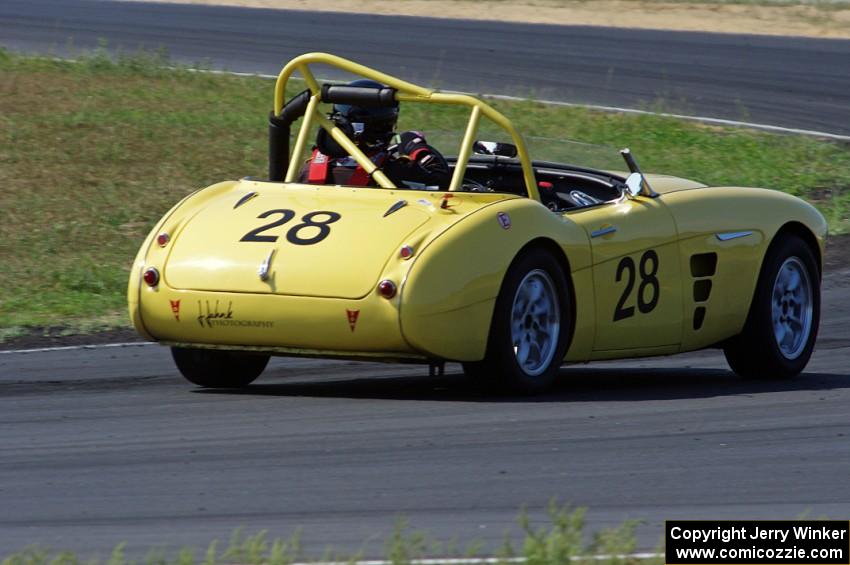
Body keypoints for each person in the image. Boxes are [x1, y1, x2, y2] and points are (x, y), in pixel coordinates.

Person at [300, 80, 451, 190]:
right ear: (384, 126)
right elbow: (438, 182)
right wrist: (415, 146)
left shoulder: (306, 171)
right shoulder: (390, 173)